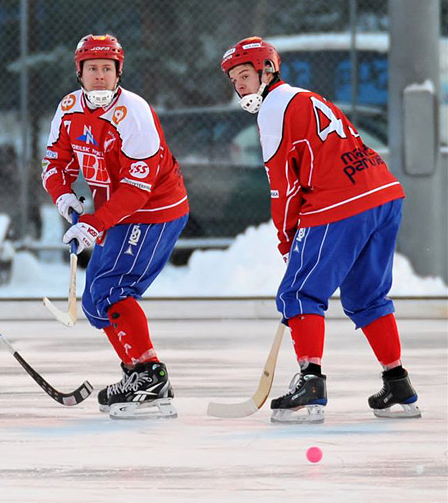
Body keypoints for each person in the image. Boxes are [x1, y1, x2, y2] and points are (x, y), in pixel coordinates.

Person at [220, 36, 420, 424]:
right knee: (366, 296)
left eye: (245, 75)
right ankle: (398, 384)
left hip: (341, 201)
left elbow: (284, 185)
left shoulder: (272, 108)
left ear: (268, 70)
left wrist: (286, 238)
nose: (240, 85)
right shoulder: (307, 97)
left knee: (298, 292)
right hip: (383, 194)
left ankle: (310, 385)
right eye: (234, 80)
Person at [41, 34, 189, 419]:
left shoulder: (134, 114)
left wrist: (93, 225)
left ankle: (149, 375)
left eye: (108, 69)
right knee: (94, 303)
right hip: (116, 213)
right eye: (93, 69)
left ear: (119, 72)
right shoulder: (69, 109)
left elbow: (138, 189)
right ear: (80, 73)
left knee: (111, 289)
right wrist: (65, 197)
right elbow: (55, 163)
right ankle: (136, 374)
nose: (100, 77)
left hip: (153, 210)